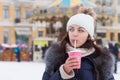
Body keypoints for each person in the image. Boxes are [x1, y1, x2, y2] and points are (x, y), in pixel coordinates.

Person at [42, 5, 115, 80]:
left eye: (81, 30)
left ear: (89, 35)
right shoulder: (56, 55)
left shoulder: (101, 58)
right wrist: (63, 72)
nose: (74, 34)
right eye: (71, 29)